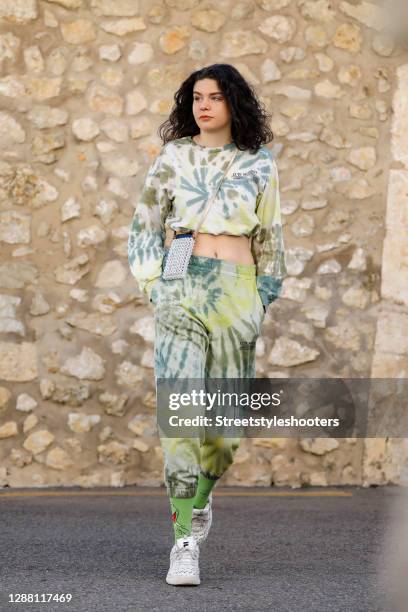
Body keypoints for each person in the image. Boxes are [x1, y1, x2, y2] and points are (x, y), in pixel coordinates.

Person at [127, 63, 287, 586]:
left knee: (224, 430)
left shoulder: (259, 163)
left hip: (237, 293)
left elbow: (271, 238)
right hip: (182, 284)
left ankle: (201, 499)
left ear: (234, 104)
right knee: (180, 414)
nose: (204, 105)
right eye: (197, 96)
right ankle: (183, 542)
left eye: (216, 97)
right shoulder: (174, 157)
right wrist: (157, 288)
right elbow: (145, 226)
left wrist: (260, 300)